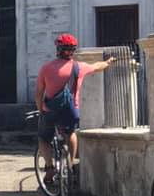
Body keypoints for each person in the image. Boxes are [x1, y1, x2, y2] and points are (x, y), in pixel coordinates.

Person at [35, 33, 115, 183]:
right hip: (70, 110)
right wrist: (108, 62)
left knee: (43, 139)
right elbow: (97, 66)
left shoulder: (46, 68)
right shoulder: (79, 67)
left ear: (58, 49)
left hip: (50, 110)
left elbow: (39, 93)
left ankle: (50, 167)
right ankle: (70, 165)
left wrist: (41, 110)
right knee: (70, 133)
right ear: (73, 50)